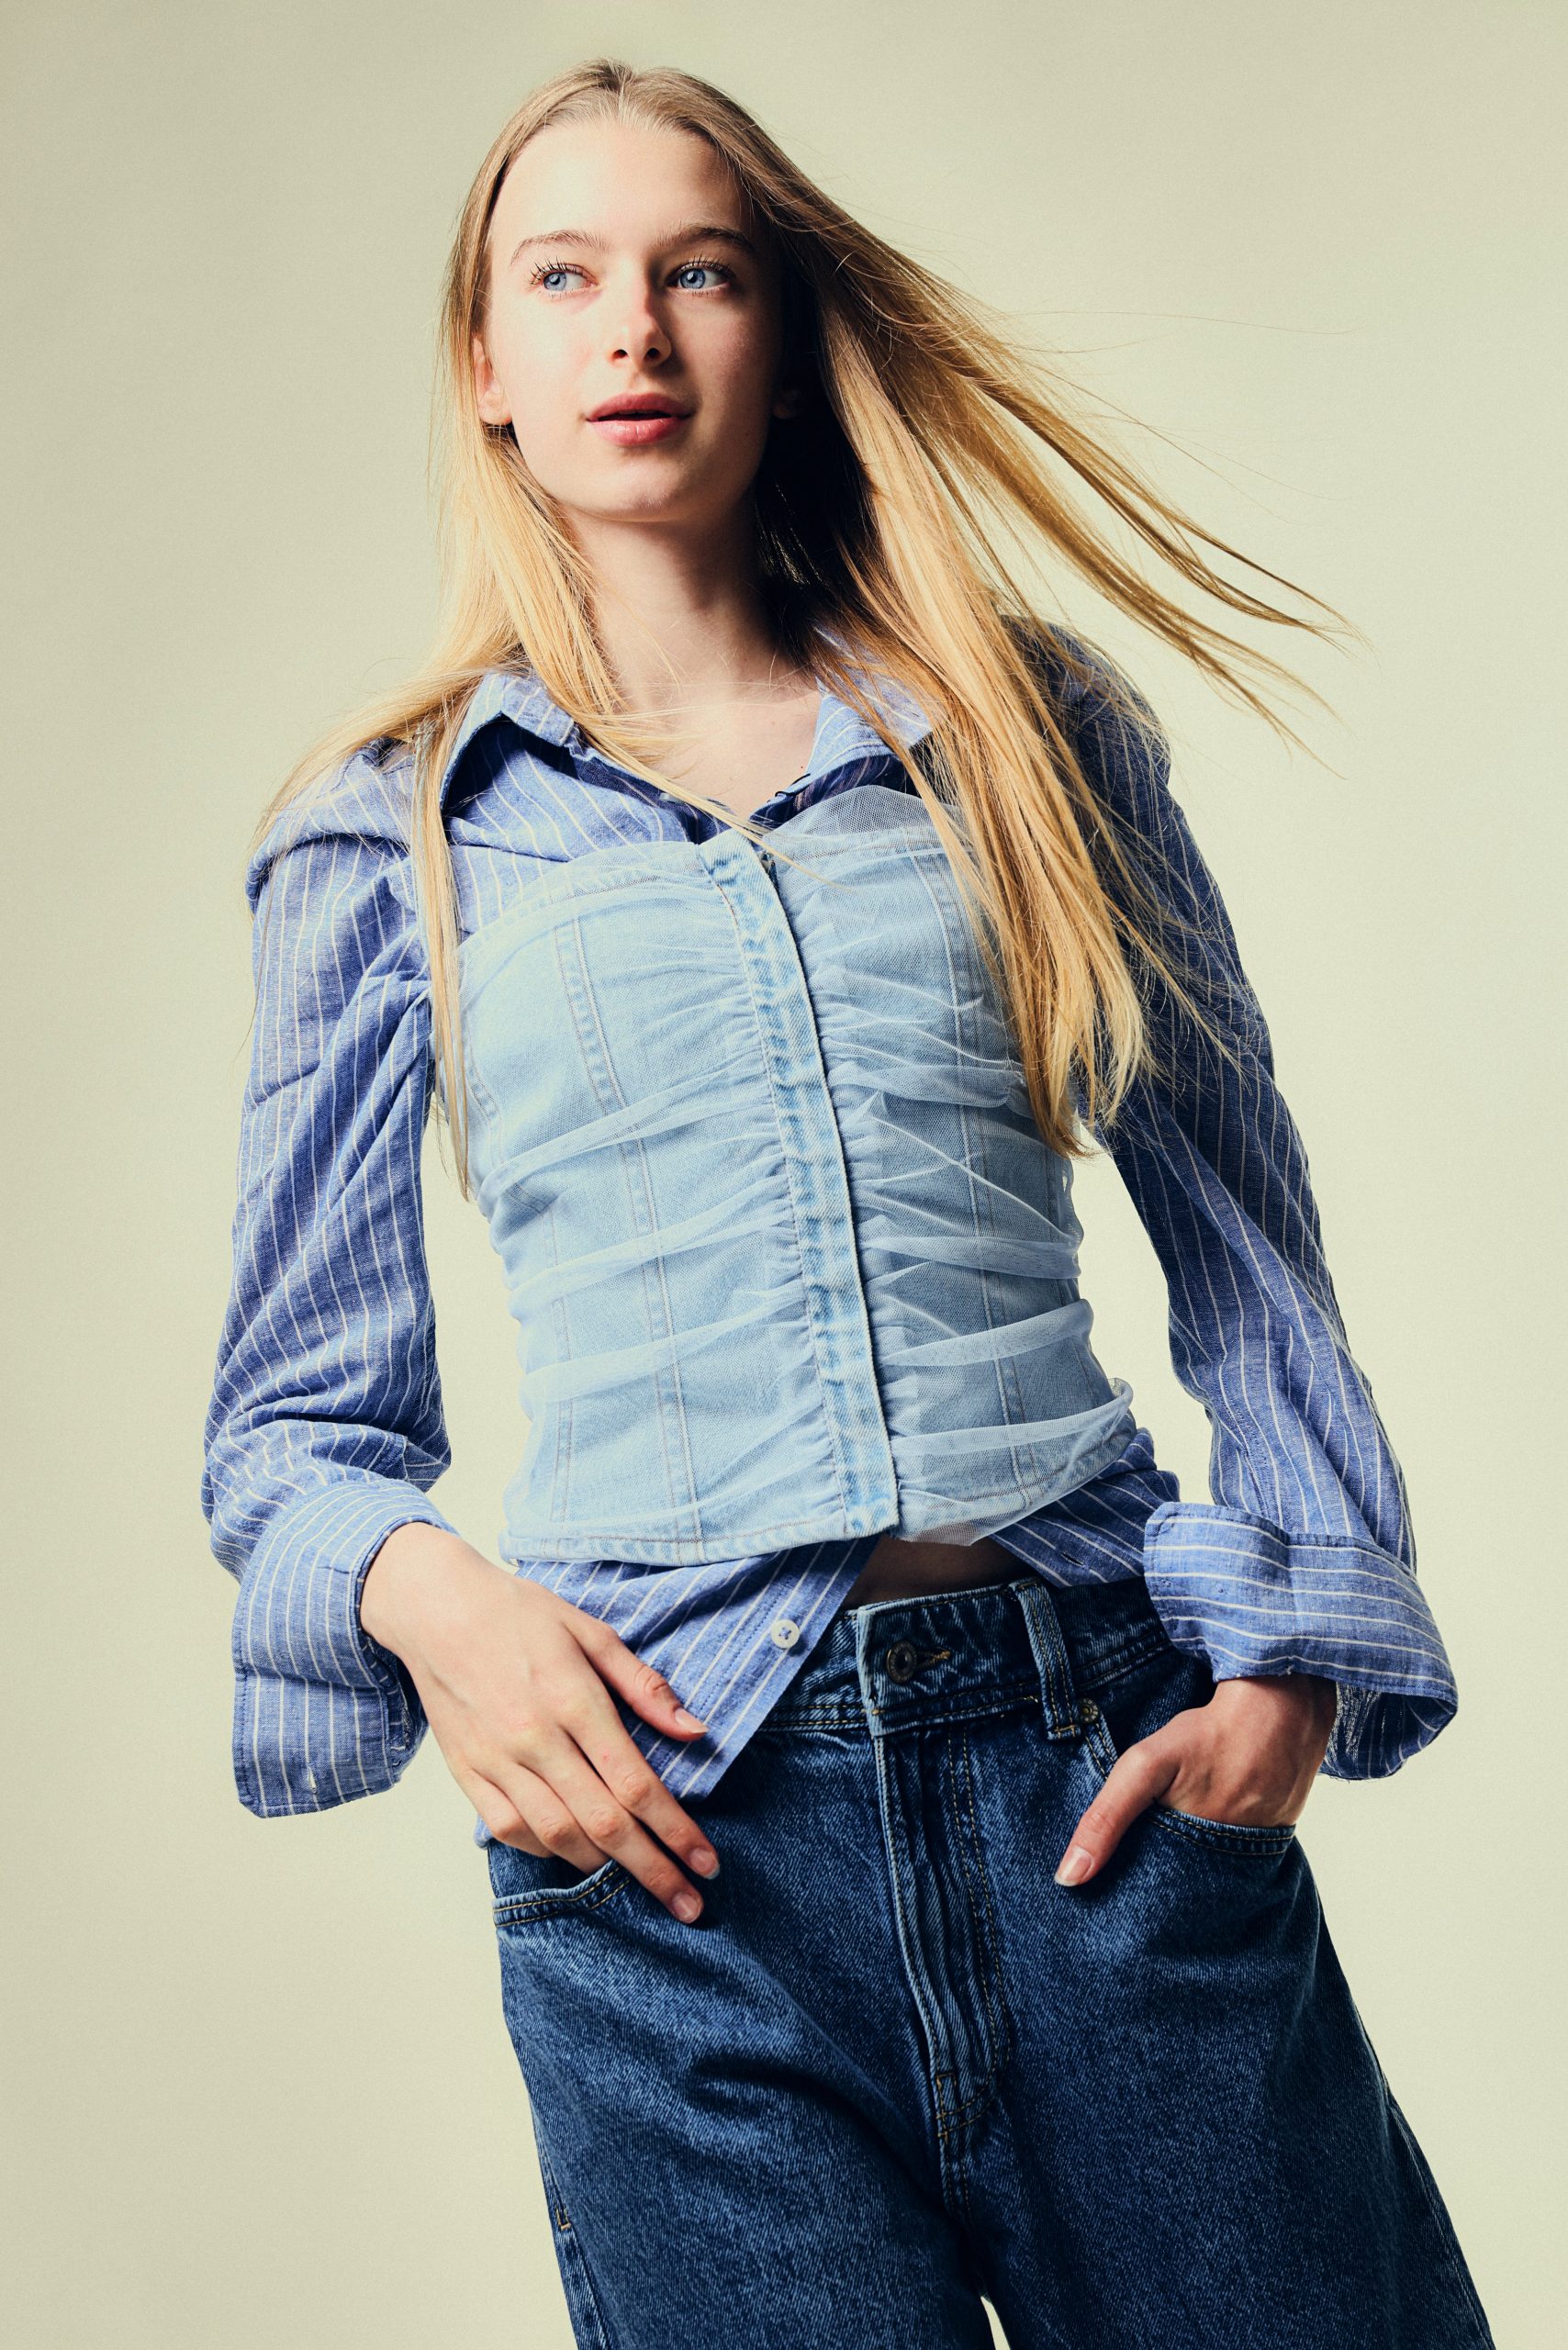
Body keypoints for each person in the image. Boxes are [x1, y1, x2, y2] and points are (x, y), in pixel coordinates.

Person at [200, 56, 1495, 2350]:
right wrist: (438, 1601)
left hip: (1105, 1787)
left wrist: (1290, 1660)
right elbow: (285, 1437)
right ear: (485, 365)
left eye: (697, 271)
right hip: (679, 1861)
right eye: (561, 278)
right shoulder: (385, 837)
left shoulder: (1029, 737)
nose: (631, 329)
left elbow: (1247, 1244)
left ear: (784, 335)